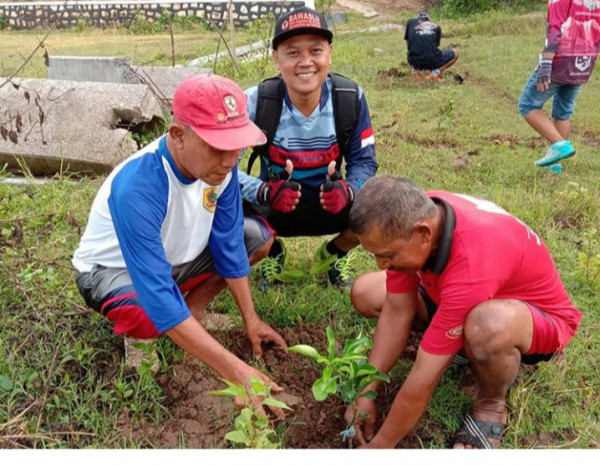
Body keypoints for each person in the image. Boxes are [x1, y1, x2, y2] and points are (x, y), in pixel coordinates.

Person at [72, 74, 288, 417]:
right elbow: (156, 291)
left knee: (256, 240)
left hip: (174, 258)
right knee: (149, 312)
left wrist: (252, 319)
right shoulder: (140, 185)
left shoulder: (222, 169)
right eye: (218, 147)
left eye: (237, 145)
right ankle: (142, 339)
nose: (231, 160)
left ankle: (193, 313)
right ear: (178, 135)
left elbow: (229, 244)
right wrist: (236, 372)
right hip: (113, 270)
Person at [344, 175, 582, 448]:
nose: (381, 263)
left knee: (486, 325)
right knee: (366, 292)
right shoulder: (413, 214)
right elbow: (398, 311)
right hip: (462, 295)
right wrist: (367, 391)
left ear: (424, 234)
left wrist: (381, 445)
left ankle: (491, 406)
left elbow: (425, 376)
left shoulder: (471, 263)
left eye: (388, 255)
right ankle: (460, 338)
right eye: (376, 254)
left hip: (537, 319)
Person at [239, 6, 378, 288]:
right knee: (219, 201)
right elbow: (222, 170)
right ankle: (270, 251)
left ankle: (335, 253)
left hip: (332, 203)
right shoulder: (255, 101)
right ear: (276, 57)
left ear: (330, 52)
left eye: (315, 51)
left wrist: (349, 189)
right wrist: (264, 190)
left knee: (380, 200)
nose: (305, 62)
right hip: (275, 204)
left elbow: (365, 162)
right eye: (293, 52)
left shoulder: (350, 98)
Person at [518, 0, 600, 169]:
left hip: (562, 59)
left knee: (528, 104)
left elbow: (555, 28)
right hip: (586, 59)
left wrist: (546, 62)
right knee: (563, 110)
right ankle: (555, 164)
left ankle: (560, 146)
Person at [404, 11, 459, 81]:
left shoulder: (410, 22)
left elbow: (407, 42)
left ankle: (415, 70)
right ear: (428, 19)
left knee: (409, 52)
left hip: (414, 60)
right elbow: (435, 45)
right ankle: (435, 73)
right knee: (455, 53)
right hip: (432, 60)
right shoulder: (437, 27)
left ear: (418, 17)